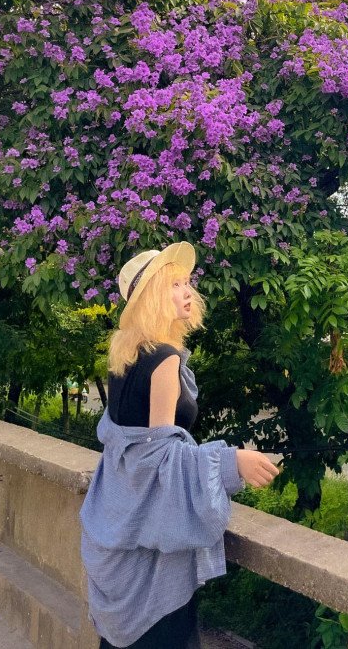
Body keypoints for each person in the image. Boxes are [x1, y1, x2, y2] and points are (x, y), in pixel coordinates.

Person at [80, 242, 279, 649]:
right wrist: (231, 462)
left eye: (188, 282)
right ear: (153, 296)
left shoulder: (127, 352)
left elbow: (131, 445)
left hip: (120, 515)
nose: (188, 291)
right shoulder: (165, 358)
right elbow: (159, 458)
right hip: (147, 539)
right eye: (174, 284)